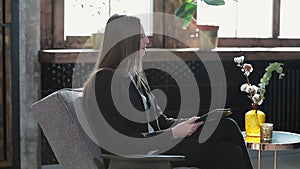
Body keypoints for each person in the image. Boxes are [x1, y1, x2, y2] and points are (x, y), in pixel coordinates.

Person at [83, 14, 253, 169]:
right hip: (143, 157)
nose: (147, 41)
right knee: (227, 126)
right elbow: (123, 142)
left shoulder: (134, 76)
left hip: (158, 147)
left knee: (229, 152)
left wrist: (189, 124)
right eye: (141, 37)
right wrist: (172, 134)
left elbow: (161, 121)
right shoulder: (103, 81)